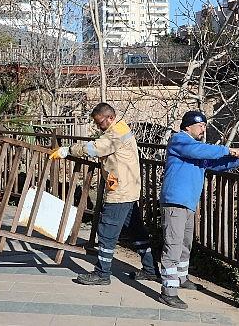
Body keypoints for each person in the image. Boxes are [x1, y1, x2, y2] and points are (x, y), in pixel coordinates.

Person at [50, 102, 159, 285]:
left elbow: (95, 148)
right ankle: (150, 270)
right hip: (128, 189)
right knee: (137, 231)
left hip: (119, 192)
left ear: (110, 118)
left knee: (107, 232)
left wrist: (68, 150)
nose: (98, 126)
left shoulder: (115, 134)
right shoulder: (121, 128)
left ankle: (102, 273)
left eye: (100, 122)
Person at [158, 110, 239, 309]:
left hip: (188, 203)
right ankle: (168, 291)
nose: (204, 128)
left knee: (185, 244)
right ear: (188, 127)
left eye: (204, 125)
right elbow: (202, 152)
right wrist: (229, 150)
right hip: (175, 202)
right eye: (200, 125)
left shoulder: (197, 148)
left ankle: (182, 278)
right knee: (173, 246)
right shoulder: (179, 140)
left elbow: (213, 164)